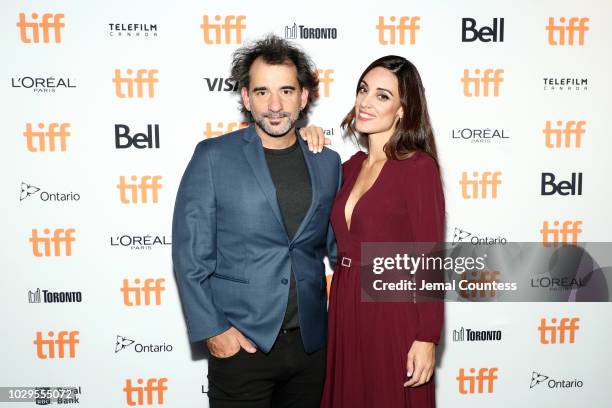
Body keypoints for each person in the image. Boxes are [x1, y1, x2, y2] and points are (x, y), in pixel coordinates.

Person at [172, 35, 341, 408]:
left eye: (286, 90)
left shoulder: (327, 163)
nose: (275, 105)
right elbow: (190, 257)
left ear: (303, 96)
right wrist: (215, 331)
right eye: (262, 92)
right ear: (246, 98)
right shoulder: (213, 157)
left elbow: (343, 247)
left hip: (311, 347)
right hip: (242, 346)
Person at [301, 55, 445, 407]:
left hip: (392, 308)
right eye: (363, 90)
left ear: (402, 109)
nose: (366, 101)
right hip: (346, 304)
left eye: (382, 95)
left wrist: (427, 337)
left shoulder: (417, 168)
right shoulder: (349, 167)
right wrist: (303, 137)